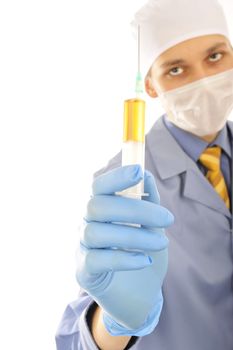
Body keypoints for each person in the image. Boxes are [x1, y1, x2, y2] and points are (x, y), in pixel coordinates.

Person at [55, 0, 233, 349]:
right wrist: (115, 320)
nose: (204, 81)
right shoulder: (125, 182)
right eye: (176, 70)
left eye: (215, 57)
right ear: (149, 86)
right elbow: (76, 342)